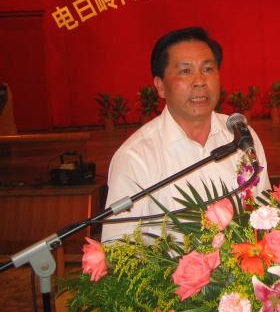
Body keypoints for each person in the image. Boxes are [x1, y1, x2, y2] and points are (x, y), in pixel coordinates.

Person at [101, 27, 270, 242]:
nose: (200, 81)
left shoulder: (242, 137)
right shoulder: (135, 158)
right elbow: (118, 247)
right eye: (185, 71)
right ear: (160, 86)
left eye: (207, 69)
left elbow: (266, 214)